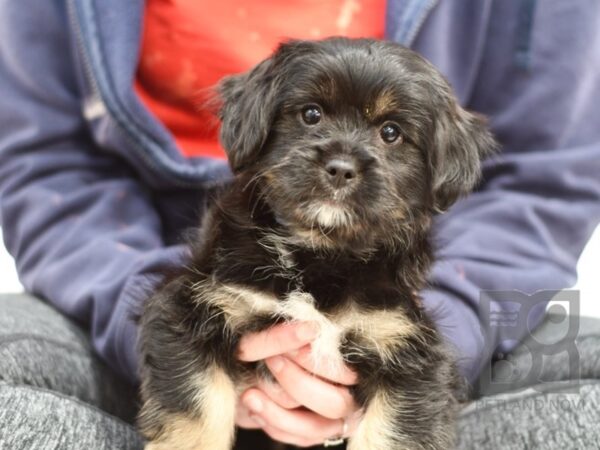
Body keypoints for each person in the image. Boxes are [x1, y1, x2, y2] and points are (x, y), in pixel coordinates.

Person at [1, 0, 600, 449]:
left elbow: (545, 176)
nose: (341, 159)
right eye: (311, 115)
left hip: (448, 286)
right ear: (250, 132)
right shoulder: (221, 277)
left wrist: (458, 321)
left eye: (391, 135)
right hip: (131, 278)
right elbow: (42, 160)